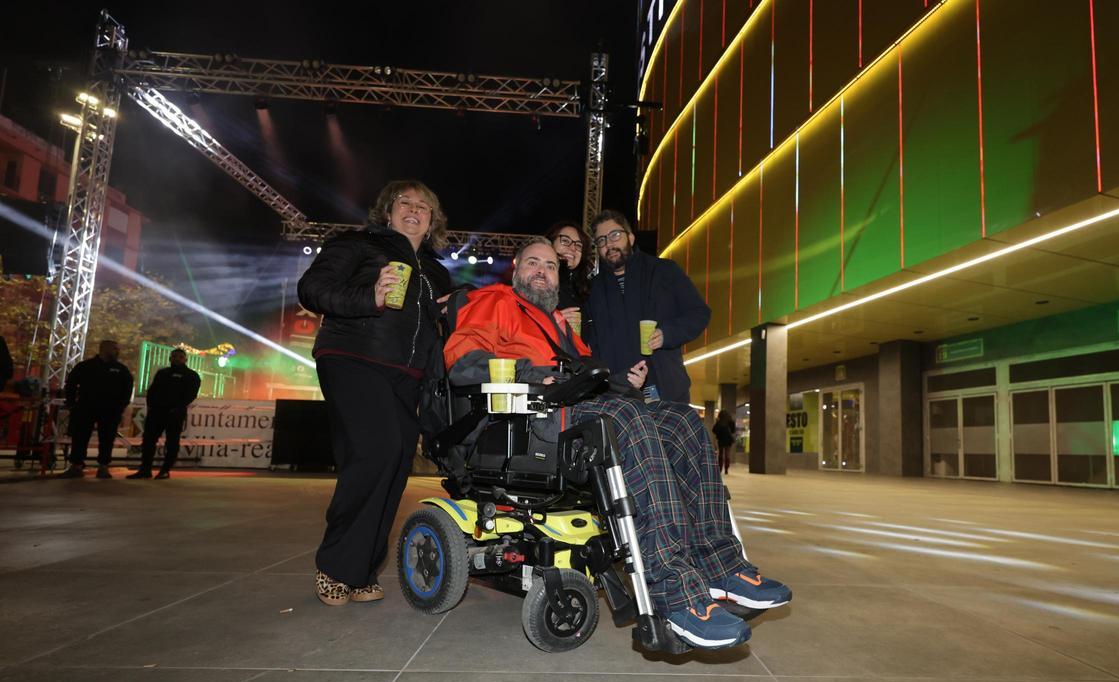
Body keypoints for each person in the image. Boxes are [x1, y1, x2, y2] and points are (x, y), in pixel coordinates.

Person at [444, 237, 790, 650]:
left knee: (683, 420)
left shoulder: (558, 324)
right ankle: (673, 589)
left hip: (578, 409)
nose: (542, 270)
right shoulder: (493, 303)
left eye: (551, 266)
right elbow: (461, 363)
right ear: (516, 269)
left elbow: (589, 378)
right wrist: (534, 374)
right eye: (533, 263)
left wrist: (624, 382)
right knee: (624, 417)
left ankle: (720, 563)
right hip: (530, 418)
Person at [298, 179, 452, 607]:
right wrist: (371, 296)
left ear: (432, 221)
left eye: (424, 206)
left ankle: (363, 570)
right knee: (377, 452)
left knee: (395, 467)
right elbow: (312, 289)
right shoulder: (359, 245)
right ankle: (335, 567)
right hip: (354, 357)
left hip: (408, 376)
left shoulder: (436, 272)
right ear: (388, 212)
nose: (414, 209)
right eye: (405, 202)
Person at [586, 209, 710, 404]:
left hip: (666, 391)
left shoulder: (665, 271)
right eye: (601, 240)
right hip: (616, 397)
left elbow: (700, 313)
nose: (609, 244)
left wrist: (667, 334)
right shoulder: (593, 289)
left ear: (631, 238)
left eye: (614, 235)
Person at [60, 340, 133, 479]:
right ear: (104, 349)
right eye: (114, 348)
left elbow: (127, 388)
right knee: (80, 437)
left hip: (110, 410)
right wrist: (71, 403)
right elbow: (71, 383)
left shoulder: (121, 369)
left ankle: (103, 466)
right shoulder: (86, 366)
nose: (117, 351)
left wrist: (120, 406)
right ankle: (76, 465)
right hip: (86, 407)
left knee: (107, 439)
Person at [127, 348, 201, 480]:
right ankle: (145, 469)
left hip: (175, 414)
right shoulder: (162, 373)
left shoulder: (192, 375)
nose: (177, 359)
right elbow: (152, 390)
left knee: (172, 442)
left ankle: (165, 470)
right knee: (148, 440)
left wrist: (177, 408)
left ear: (185, 359)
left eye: (180, 357)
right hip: (156, 412)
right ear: (170, 358)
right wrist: (150, 406)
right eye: (174, 356)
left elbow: (191, 395)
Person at [545, 220, 590, 340]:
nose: (572, 248)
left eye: (578, 245)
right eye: (565, 240)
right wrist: (553, 321)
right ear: (550, 244)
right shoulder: (539, 283)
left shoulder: (584, 289)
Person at [713, 409, 736, 476]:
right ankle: (726, 469)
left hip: (721, 439)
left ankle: (720, 469)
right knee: (727, 454)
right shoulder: (731, 421)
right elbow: (733, 431)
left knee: (720, 454)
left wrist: (717, 422)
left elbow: (714, 430)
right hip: (728, 439)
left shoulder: (719, 422)